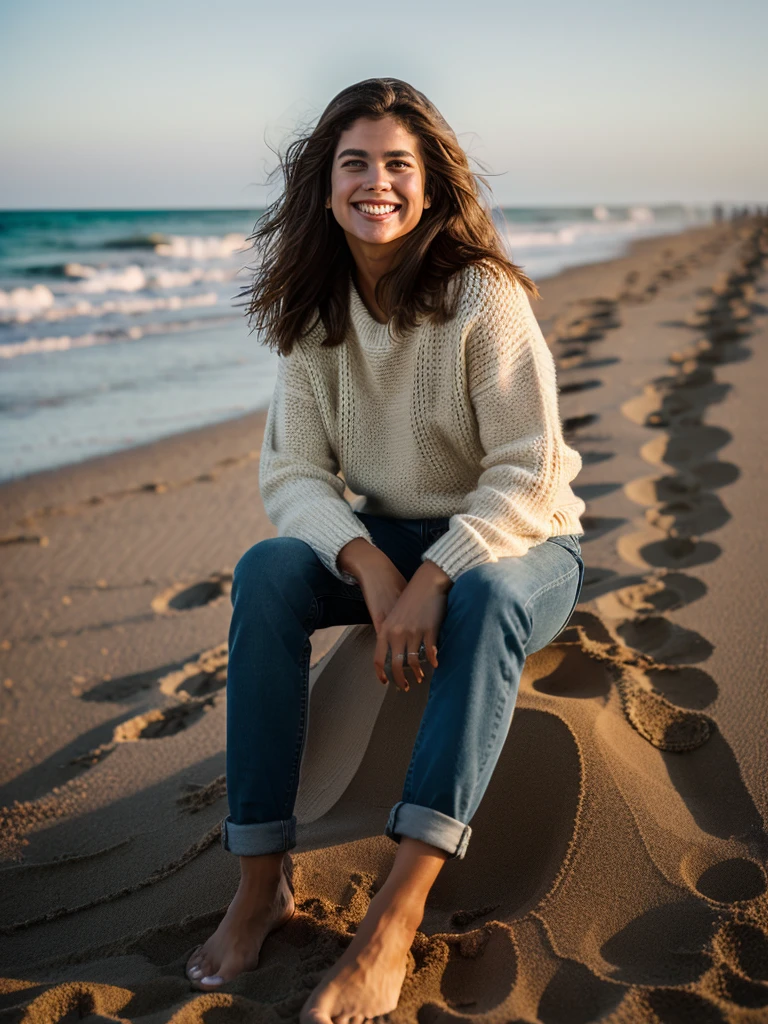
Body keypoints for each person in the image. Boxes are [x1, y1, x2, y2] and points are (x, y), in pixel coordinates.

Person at [186, 77, 586, 1020]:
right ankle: (259, 887)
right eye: (354, 164)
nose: (377, 183)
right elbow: (293, 476)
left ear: (431, 186)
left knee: (485, 598)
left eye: (398, 166)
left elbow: (530, 472)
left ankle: (395, 922)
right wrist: (371, 568)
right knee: (269, 571)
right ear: (323, 189)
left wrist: (437, 576)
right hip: (397, 538)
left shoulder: (483, 298)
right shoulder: (314, 313)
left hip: (523, 543)